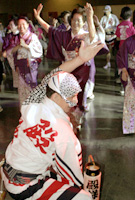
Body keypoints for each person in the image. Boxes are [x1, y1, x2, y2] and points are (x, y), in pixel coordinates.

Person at [1, 40, 104, 199]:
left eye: (76, 95)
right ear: (55, 96)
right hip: (25, 187)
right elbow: (74, 178)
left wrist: (79, 60)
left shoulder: (32, 103)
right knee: (84, 197)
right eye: (71, 97)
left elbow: (49, 78)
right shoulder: (64, 133)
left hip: (8, 171)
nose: (75, 101)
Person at [34, 3, 108, 112]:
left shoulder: (85, 35)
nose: (76, 23)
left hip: (82, 69)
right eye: (73, 20)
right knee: (66, 93)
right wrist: (38, 18)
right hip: (68, 68)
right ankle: (69, 114)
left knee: (80, 93)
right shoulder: (64, 34)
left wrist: (89, 17)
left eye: (79, 20)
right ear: (70, 21)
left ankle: (78, 116)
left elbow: (93, 38)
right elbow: (50, 29)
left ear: (83, 23)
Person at [12, 16, 43, 106]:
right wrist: (17, 47)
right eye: (19, 25)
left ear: (28, 25)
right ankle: (24, 108)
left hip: (30, 66)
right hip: (20, 65)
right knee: (22, 89)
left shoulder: (32, 36)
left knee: (31, 86)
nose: (21, 27)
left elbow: (38, 51)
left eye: (23, 24)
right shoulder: (16, 38)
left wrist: (26, 46)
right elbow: (11, 52)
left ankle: (33, 108)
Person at [117, 35, 135, 134]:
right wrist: (124, 70)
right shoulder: (129, 41)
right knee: (130, 102)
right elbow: (120, 55)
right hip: (131, 75)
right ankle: (130, 127)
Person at [2, 15, 19, 89]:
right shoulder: (9, 36)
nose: (10, 26)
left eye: (11, 25)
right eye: (10, 25)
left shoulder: (22, 35)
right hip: (12, 60)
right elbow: (5, 47)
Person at [100, 5, 119, 69]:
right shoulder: (103, 18)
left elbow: (117, 25)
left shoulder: (114, 17)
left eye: (107, 10)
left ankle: (115, 64)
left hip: (113, 36)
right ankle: (108, 63)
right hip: (106, 36)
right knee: (107, 51)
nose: (106, 12)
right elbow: (100, 26)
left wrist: (112, 29)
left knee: (113, 51)